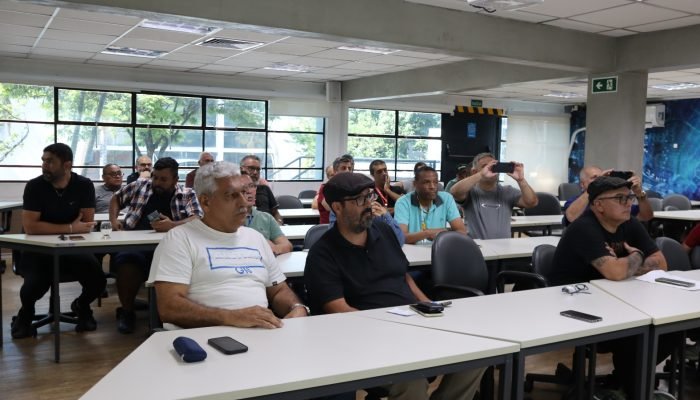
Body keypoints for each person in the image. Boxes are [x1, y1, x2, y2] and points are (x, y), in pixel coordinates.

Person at [304, 172, 484, 400]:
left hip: (410, 324)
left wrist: (426, 303)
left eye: (369, 197)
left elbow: (404, 276)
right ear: (337, 208)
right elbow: (337, 309)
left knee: (477, 355)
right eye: (360, 200)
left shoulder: (384, 231)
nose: (369, 205)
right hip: (364, 338)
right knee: (412, 383)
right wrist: (384, 330)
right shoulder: (323, 254)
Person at [548, 176, 675, 399]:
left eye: (629, 197)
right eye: (620, 198)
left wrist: (627, 265)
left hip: (613, 299)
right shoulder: (584, 228)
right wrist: (636, 254)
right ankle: (633, 389)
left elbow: (661, 263)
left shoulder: (629, 223)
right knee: (636, 334)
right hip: (573, 307)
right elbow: (615, 272)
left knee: (670, 329)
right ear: (598, 205)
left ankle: (626, 383)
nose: (628, 203)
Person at [149, 161, 308, 329]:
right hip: (203, 338)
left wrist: (297, 307)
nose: (244, 203)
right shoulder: (179, 240)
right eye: (232, 195)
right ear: (206, 202)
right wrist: (230, 317)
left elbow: (278, 290)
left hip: (259, 334)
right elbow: (169, 308)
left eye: (244, 193)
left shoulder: (255, 238)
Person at [12, 143, 106, 338]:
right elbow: (31, 227)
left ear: (67, 165)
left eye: (50, 162)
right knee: (34, 285)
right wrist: (70, 227)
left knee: (98, 281)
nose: (44, 165)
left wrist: (49, 227)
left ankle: (81, 306)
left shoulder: (83, 185)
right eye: (43, 161)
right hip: (38, 250)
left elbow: (87, 223)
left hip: (72, 249)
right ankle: (26, 313)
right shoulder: (35, 186)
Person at [109, 157, 202, 334]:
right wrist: (114, 220)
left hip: (172, 248)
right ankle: (127, 312)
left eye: (163, 179)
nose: (157, 182)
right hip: (135, 245)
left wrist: (172, 225)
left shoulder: (187, 193)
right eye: (155, 177)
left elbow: (197, 218)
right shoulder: (140, 186)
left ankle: (165, 313)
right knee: (127, 263)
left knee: (178, 268)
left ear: (175, 180)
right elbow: (116, 198)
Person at [450, 152, 538, 239]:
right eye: (485, 166)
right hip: (477, 247)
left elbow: (532, 202)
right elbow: (455, 192)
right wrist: (481, 174)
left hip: (503, 248)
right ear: (474, 172)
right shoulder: (470, 191)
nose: (490, 169)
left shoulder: (507, 191)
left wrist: (521, 180)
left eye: (493, 166)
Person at [394, 166, 466, 244]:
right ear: (415, 184)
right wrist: (428, 233)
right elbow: (401, 237)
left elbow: (461, 232)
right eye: (426, 182)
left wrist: (442, 232)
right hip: (411, 252)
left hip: (438, 250)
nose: (432, 186)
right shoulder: (403, 202)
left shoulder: (446, 198)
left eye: (435, 182)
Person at [562, 166, 653, 226]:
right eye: (595, 178)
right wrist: (594, 187)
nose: (599, 180)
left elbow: (646, 216)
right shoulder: (574, 201)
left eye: (602, 177)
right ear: (582, 184)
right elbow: (571, 217)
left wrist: (639, 192)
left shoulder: (612, 201)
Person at [241, 172, 293, 255]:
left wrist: (272, 248)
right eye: (243, 187)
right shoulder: (226, 219)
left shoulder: (266, 218)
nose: (248, 191)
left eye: (251, 186)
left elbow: (287, 245)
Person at [240, 155, 283, 224]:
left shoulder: (265, 189)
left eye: (258, 169)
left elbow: (276, 213)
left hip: (267, 228)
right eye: (251, 168)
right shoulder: (236, 192)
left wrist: (278, 224)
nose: (255, 172)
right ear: (241, 169)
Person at [317, 155, 353, 224]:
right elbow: (331, 208)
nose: (347, 171)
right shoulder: (326, 188)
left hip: (347, 226)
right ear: (335, 171)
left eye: (350, 168)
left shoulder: (351, 188)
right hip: (328, 227)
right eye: (343, 168)